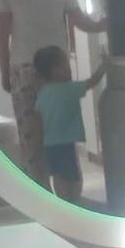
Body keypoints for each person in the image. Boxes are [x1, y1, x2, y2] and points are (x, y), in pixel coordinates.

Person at [0, 0, 107, 187]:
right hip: (57, 70)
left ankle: (40, 201)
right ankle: (68, 195)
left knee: (32, 144)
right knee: (61, 138)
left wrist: (4, 73)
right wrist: (103, 24)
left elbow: (1, 35)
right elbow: (81, 22)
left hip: (23, 71)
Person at [33, 44, 106, 204]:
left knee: (58, 175)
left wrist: (38, 147)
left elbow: (38, 120)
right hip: (65, 144)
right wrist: (104, 66)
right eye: (65, 65)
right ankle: (72, 200)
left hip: (49, 145)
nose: (70, 68)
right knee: (73, 177)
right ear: (55, 70)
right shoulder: (69, 89)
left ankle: (63, 200)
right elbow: (92, 81)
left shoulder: (42, 93)